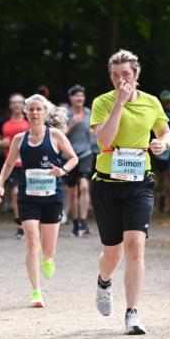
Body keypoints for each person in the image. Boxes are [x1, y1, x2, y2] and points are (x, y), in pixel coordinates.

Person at [89, 48, 170, 335]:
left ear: (136, 74)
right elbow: (104, 139)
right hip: (106, 183)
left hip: (139, 183)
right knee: (112, 252)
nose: (120, 79)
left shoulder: (151, 102)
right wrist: (119, 104)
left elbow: (164, 131)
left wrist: (163, 143)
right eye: (114, 75)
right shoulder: (103, 102)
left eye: (125, 73)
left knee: (135, 245)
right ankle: (103, 281)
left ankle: (132, 313)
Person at [0, 94, 77, 308]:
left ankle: (48, 258)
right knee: (31, 241)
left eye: (39, 109)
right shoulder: (19, 139)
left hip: (52, 197)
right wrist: (0, 185)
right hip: (27, 197)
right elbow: (8, 164)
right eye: (31, 109)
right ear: (26, 113)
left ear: (46, 113)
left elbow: (73, 158)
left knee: (48, 249)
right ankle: (36, 291)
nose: (35, 113)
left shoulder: (55, 135)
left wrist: (62, 170)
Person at [0, 93, 29, 238]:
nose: (16, 105)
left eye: (19, 102)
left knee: (30, 194)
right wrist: (2, 143)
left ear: (24, 105)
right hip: (12, 163)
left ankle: (32, 223)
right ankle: (20, 225)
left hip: (29, 163)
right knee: (15, 193)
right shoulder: (4, 123)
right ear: (10, 105)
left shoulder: (29, 122)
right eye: (14, 102)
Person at [65, 85, 94, 236]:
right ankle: (76, 222)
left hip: (85, 154)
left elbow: (95, 131)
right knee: (72, 192)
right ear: (71, 98)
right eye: (76, 96)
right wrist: (71, 125)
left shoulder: (88, 113)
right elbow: (59, 135)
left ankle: (83, 221)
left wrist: (93, 131)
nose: (79, 98)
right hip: (69, 156)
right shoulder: (65, 114)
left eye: (82, 96)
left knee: (84, 187)